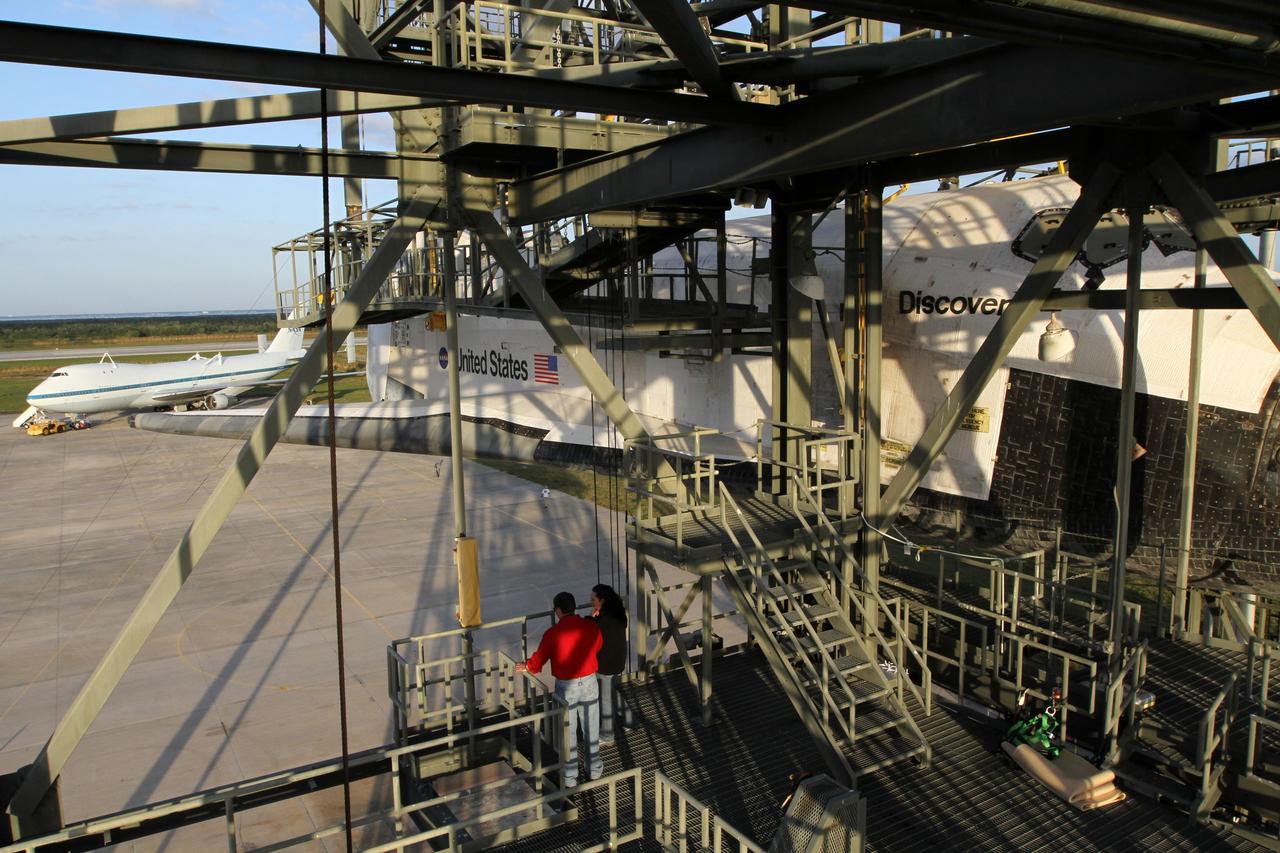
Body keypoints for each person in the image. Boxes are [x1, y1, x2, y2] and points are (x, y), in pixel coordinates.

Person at [516, 591, 603, 788]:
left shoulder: (553, 633)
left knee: (568, 731)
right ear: (573, 608)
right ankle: (595, 768)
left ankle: (571, 776)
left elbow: (540, 658)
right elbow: (598, 644)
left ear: (558, 611)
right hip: (590, 681)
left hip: (567, 685)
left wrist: (527, 666)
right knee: (591, 727)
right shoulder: (589, 626)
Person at [590, 583, 628, 745]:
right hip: (617, 659)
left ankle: (607, 735)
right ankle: (630, 719)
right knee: (611, 689)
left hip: (606, 663)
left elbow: (593, 631)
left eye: (593, 599)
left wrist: (594, 618)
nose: (591, 602)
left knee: (604, 698)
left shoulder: (604, 619)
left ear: (602, 600)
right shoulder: (618, 612)